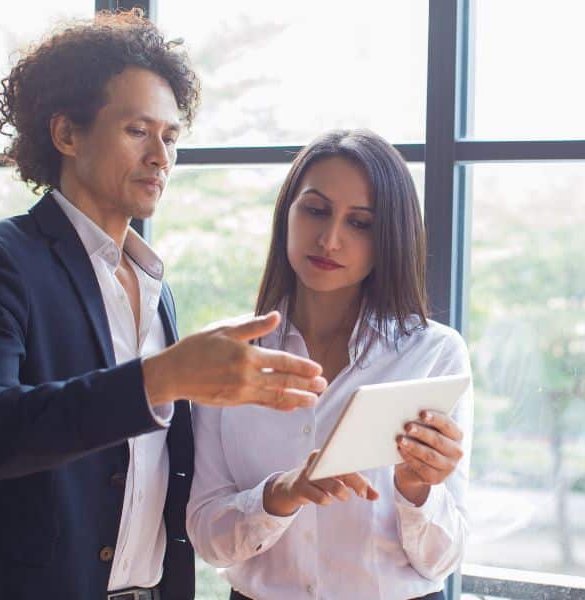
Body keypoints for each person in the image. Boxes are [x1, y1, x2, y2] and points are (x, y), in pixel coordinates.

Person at [0, 10, 325, 600]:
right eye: (137, 131)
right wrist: (158, 380)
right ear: (67, 135)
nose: (161, 157)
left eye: (170, 137)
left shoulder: (156, 285)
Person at [187, 129, 473, 600]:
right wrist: (281, 494)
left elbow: (443, 559)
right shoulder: (231, 352)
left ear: (388, 239)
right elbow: (208, 539)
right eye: (316, 210)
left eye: (360, 223)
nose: (330, 239)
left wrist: (416, 490)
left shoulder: (434, 354)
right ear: (287, 214)